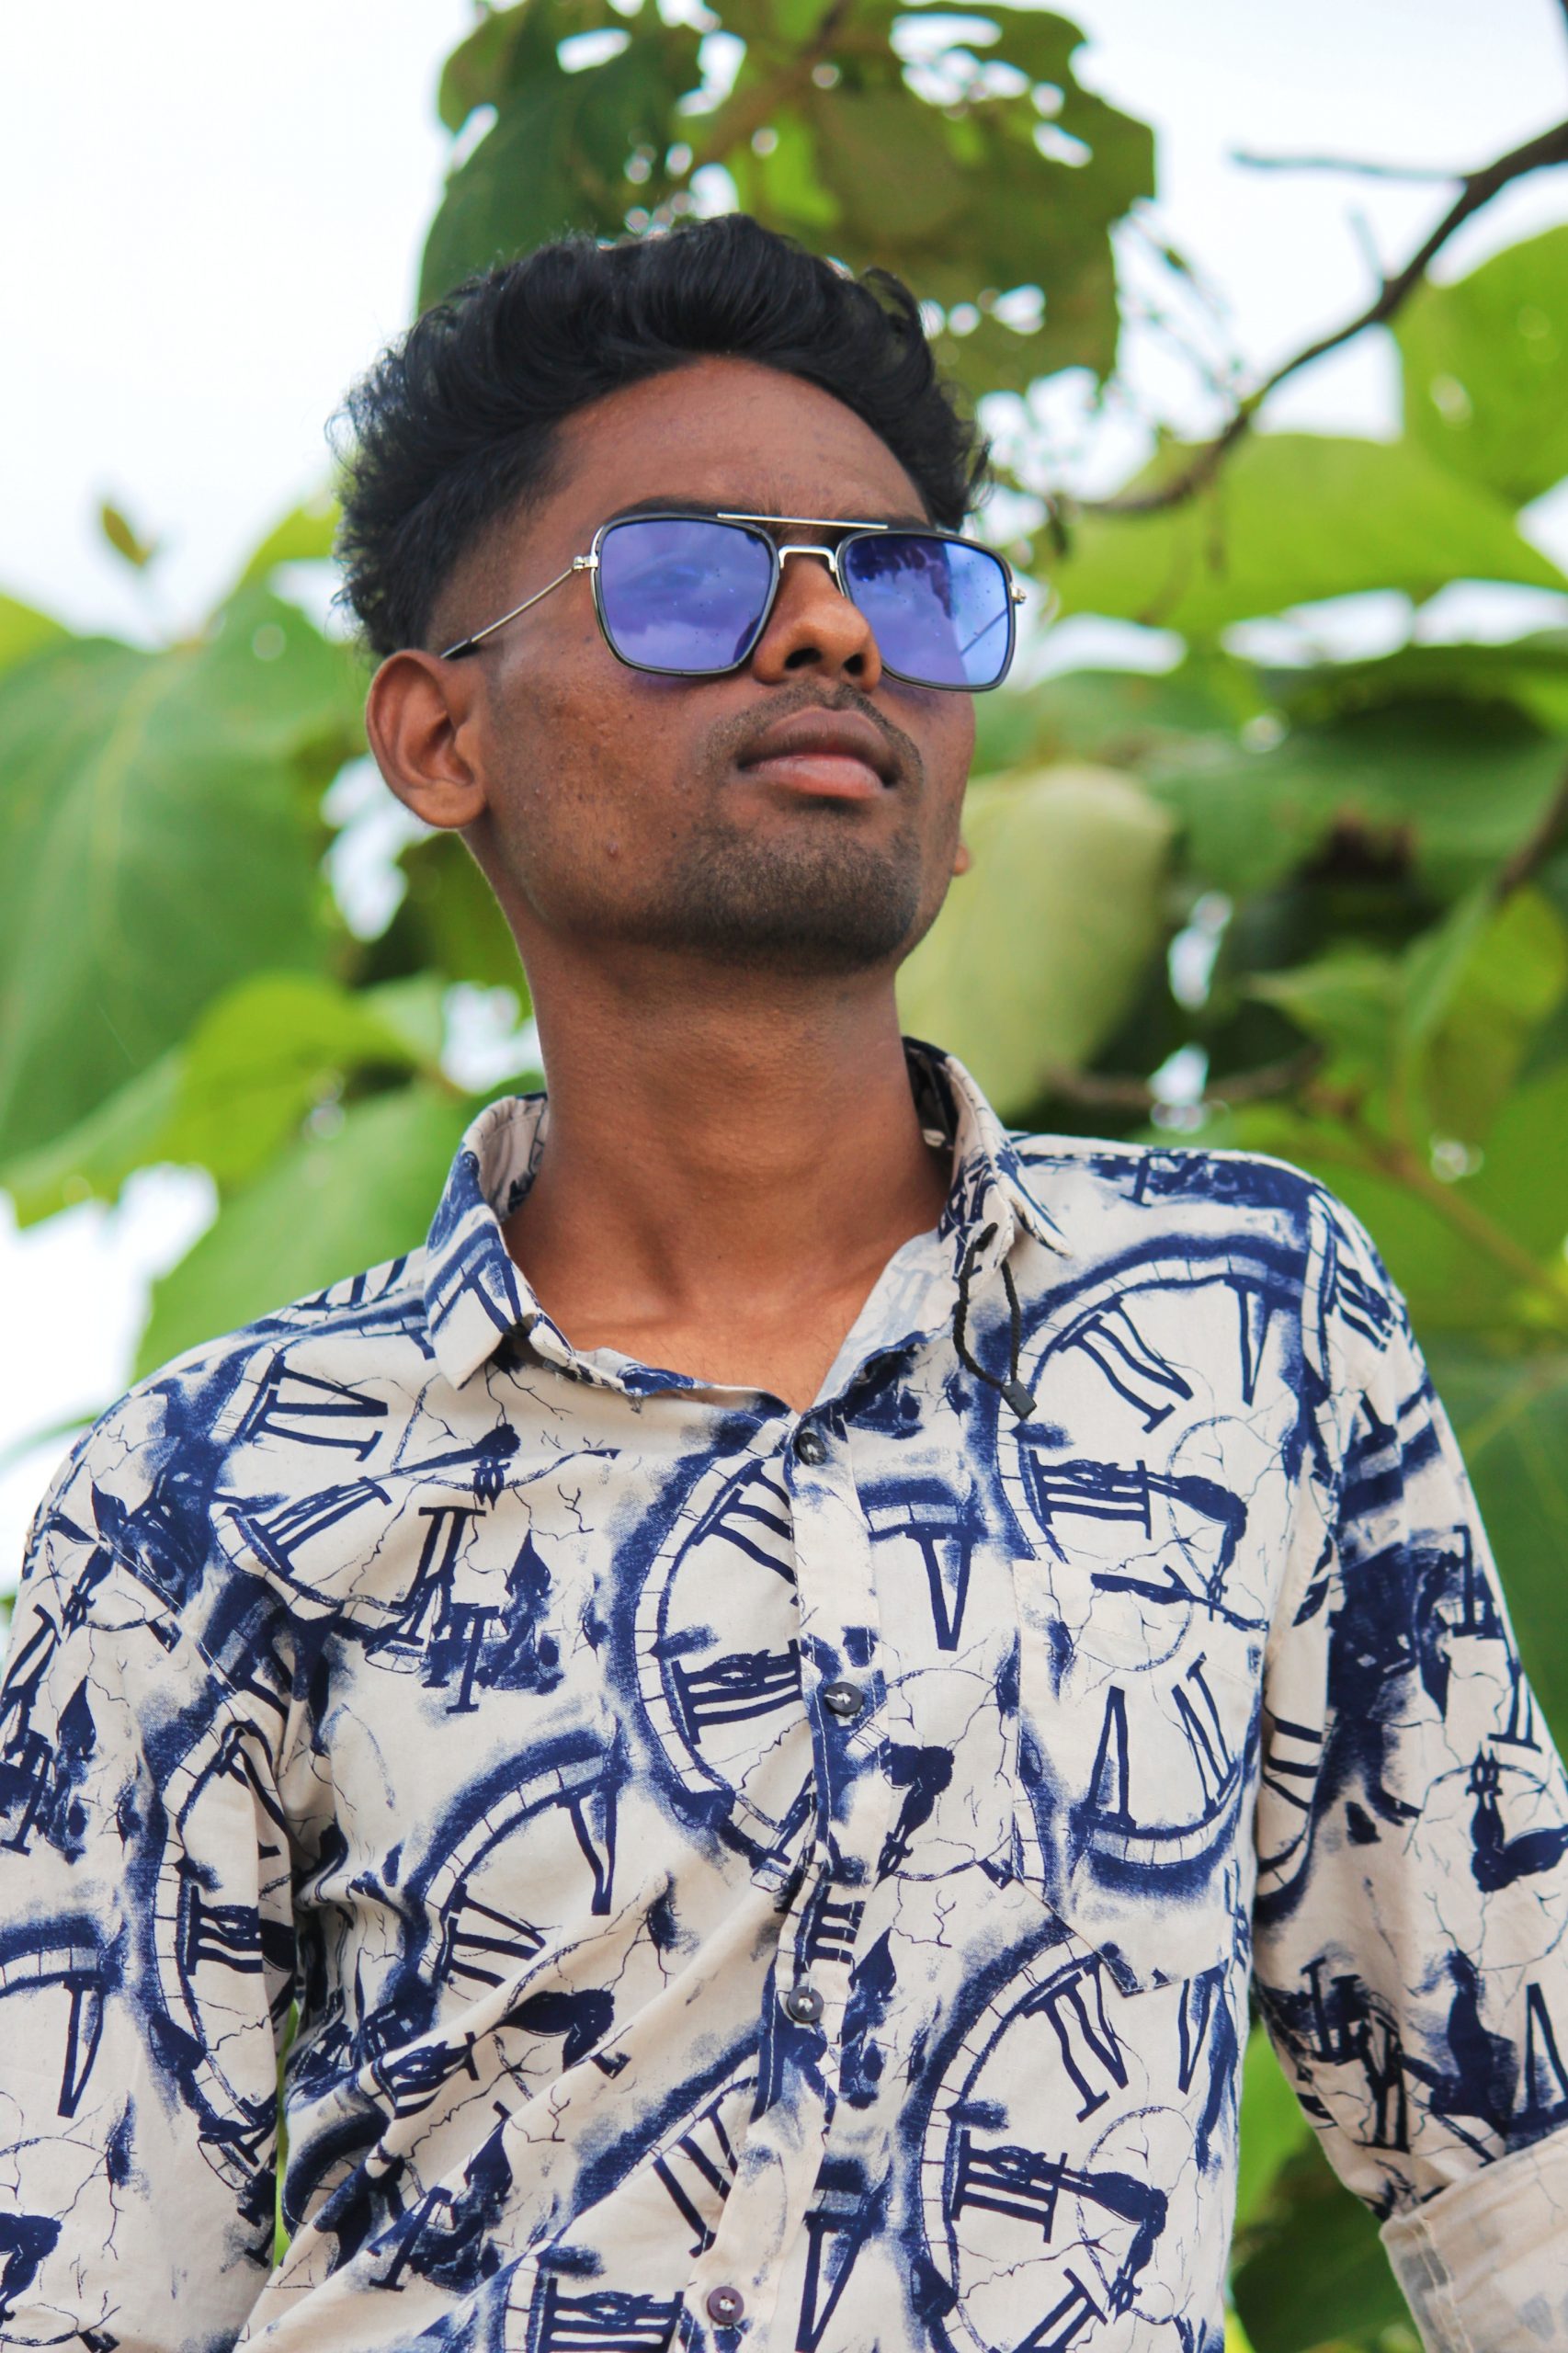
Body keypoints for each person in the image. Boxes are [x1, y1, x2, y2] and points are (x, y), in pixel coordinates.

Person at [1, 213, 1564, 2353]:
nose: (829, 629)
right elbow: (75, 2282)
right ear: (438, 738)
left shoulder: (1248, 1324)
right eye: (685, 576)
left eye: (901, 579)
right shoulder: (206, 1491)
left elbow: (1514, 2154)